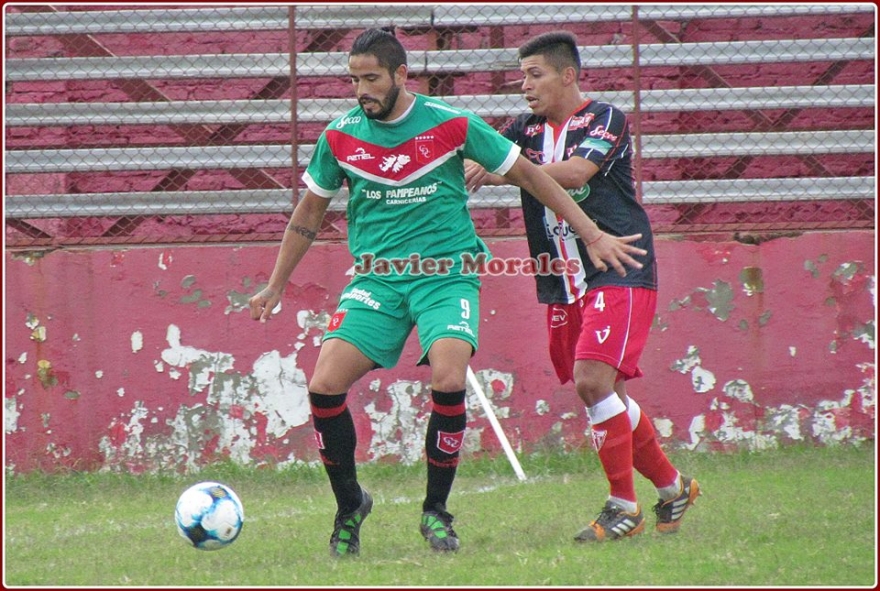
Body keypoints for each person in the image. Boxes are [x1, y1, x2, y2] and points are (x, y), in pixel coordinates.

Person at [249, 28, 646, 557]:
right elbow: (308, 214)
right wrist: (277, 283)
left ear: (399, 75)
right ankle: (350, 506)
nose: (361, 89)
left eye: (371, 78)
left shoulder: (451, 123)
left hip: (447, 275)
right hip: (377, 279)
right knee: (324, 385)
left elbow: (531, 176)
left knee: (448, 374)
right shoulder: (338, 136)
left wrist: (591, 233)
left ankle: (436, 512)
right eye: (353, 80)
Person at [465, 31, 700, 543]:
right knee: (607, 394)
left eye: (535, 74)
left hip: (619, 263)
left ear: (568, 75)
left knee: (592, 383)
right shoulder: (522, 129)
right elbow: (477, 157)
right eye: (521, 75)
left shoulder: (605, 118)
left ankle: (623, 508)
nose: (524, 85)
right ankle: (673, 486)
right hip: (561, 278)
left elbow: (574, 173)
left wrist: (503, 171)